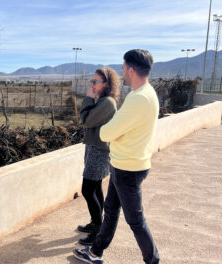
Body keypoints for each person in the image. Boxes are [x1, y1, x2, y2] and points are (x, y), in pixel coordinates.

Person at [73, 49, 160, 264]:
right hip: (122, 164)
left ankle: (153, 260)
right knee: (110, 211)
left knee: (135, 220)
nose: (122, 73)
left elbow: (107, 132)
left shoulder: (138, 99)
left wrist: (110, 128)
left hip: (129, 169)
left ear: (131, 69)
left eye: (123, 68)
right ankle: (95, 252)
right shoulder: (145, 94)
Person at [77, 67, 120, 246]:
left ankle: (97, 229)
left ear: (106, 84)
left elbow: (86, 120)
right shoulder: (102, 101)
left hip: (99, 150)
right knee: (95, 189)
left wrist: (88, 98)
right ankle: (97, 224)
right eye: (91, 81)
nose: (92, 85)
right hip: (94, 148)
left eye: (95, 82)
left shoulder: (107, 103)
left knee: (87, 190)